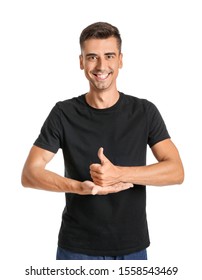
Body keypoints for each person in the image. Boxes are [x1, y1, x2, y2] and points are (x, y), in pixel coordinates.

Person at [21, 22, 184, 260]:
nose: (101, 66)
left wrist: (119, 174)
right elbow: (30, 174)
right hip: (76, 248)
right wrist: (79, 187)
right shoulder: (63, 113)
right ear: (81, 62)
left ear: (120, 60)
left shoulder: (145, 111)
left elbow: (176, 171)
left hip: (133, 248)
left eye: (109, 56)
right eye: (92, 57)